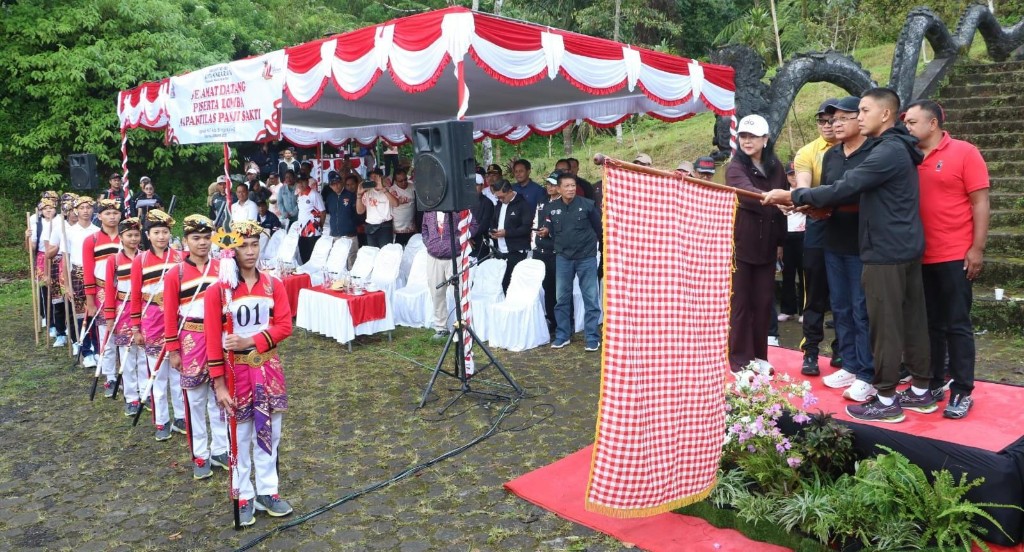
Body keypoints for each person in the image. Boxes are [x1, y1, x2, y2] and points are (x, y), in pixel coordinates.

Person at [763, 87, 932, 423]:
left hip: (885, 250)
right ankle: (921, 392)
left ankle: (885, 398)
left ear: (884, 115)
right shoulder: (895, 149)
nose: (859, 117)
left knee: (883, 325)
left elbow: (846, 186)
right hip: (903, 246)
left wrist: (794, 194)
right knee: (911, 321)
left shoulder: (888, 151)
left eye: (864, 111)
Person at [903, 99, 990, 419]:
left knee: (956, 324)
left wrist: (976, 248)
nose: (907, 127)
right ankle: (935, 381)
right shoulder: (909, 156)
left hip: (954, 254)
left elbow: (980, 202)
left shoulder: (965, 152)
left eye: (912, 122)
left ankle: (963, 389)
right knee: (929, 326)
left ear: (933, 124)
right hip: (918, 255)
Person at [206, 220, 295, 526]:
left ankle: (268, 491)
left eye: (254, 244)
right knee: (241, 435)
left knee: (270, 432)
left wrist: (250, 341)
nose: (250, 251)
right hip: (236, 372)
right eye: (243, 245)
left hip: (268, 367)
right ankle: (243, 494)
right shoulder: (218, 292)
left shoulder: (274, 285)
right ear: (230, 248)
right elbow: (211, 341)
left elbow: (284, 326)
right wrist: (218, 384)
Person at [816, 96, 876, 402]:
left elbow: (854, 192)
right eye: (831, 120)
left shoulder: (874, 152)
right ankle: (850, 363)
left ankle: (869, 372)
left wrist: (818, 198)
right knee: (839, 306)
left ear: (859, 119)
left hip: (862, 243)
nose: (835, 125)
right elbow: (828, 193)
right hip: (833, 240)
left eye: (842, 118)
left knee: (861, 309)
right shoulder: (832, 155)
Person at [164, 215, 227, 480]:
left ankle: (221, 449)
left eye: (206, 237)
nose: (202, 243)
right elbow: (169, 313)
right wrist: (173, 349)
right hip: (191, 338)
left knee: (220, 397)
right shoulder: (175, 273)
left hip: (220, 337)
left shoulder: (224, 267)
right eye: (195, 238)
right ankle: (200, 453)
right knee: (195, 398)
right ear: (186, 240)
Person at [725, 114, 787, 372]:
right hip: (741, 245)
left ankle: (759, 357)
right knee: (740, 304)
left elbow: (784, 203)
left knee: (763, 303)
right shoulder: (735, 166)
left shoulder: (776, 167)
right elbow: (747, 195)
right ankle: (739, 361)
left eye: (753, 136)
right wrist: (776, 198)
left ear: (765, 139)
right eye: (743, 136)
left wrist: (781, 242)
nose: (747, 141)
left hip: (768, 246)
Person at [793, 99, 841, 376]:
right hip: (818, 223)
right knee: (814, 292)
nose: (828, 126)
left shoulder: (856, 148)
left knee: (845, 293)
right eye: (822, 121)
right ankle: (810, 350)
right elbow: (802, 188)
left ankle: (842, 350)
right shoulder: (808, 152)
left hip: (848, 225)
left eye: (833, 120)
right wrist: (810, 201)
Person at [130, 209, 186, 440]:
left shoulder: (180, 258)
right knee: (157, 373)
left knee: (178, 370)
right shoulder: (140, 260)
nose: (161, 236)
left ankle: (181, 417)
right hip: (152, 319)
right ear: (147, 234)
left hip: (177, 319)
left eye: (165, 232)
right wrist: (135, 327)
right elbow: (134, 296)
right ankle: (161, 420)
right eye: (156, 232)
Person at [539, 172, 603, 351]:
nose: (570, 189)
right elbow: (551, 230)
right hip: (563, 258)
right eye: (566, 186)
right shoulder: (551, 208)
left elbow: (599, 229)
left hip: (586, 257)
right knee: (562, 299)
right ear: (558, 189)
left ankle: (591, 337)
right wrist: (545, 232)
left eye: (573, 186)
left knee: (590, 298)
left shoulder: (588, 205)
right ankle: (562, 335)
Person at [104, 217, 146, 417]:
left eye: (136, 235)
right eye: (129, 235)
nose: (133, 239)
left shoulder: (146, 257)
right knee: (127, 355)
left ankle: (147, 393)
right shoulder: (113, 260)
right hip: (123, 310)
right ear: (121, 237)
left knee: (144, 355)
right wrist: (110, 315)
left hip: (144, 310)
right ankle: (131, 397)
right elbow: (109, 289)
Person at [83, 198, 123, 395]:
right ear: (99, 216)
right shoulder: (92, 240)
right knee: (105, 334)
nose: (112, 217)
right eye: (107, 213)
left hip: (125, 292)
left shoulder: (128, 238)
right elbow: (88, 271)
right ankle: (110, 376)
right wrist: (90, 300)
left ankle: (127, 375)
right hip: (100, 292)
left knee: (125, 334)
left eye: (115, 213)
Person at [422, 210, 477, 340]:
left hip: (455, 257)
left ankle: (464, 327)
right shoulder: (429, 210)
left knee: (459, 293)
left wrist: (460, 240)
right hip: (434, 256)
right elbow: (424, 228)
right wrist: (429, 242)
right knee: (437, 293)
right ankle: (441, 328)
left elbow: (473, 225)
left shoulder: (458, 208)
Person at [61, 196, 100, 363]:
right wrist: (67, 285)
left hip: (94, 273)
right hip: (76, 272)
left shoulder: (97, 231)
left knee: (96, 311)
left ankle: (97, 348)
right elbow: (65, 259)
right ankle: (85, 350)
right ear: (76, 210)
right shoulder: (69, 231)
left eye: (88, 207)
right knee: (79, 312)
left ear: (93, 210)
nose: (85, 211)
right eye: (82, 207)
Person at [489, 179, 532, 294]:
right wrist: (492, 231)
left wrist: (507, 233)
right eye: (498, 197)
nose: (500, 199)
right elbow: (493, 221)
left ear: (510, 191)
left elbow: (527, 228)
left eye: (502, 197)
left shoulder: (522, 204)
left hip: (517, 250)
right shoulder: (499, 204)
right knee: (502, 283)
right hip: (500, 250)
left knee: (514, 285)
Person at [533, 173, 561, 331]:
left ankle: (563, 323)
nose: (550, 187)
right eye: (548, 184)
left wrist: (549, 232)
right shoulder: (542, 201)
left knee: (559, 290)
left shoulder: (563, 203)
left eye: (553, 184)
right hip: (540, 250)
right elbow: (535, 222)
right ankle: (551, 320)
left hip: (556, 252)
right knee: (547, 288)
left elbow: (565, 229)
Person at [778, 162, 804, 324]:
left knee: (804, 274)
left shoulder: (807, 191)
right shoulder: (782, 193)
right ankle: (788, 310)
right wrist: (779, 244)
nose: (793, 177)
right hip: (786, 236)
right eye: (790, 174)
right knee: (787, 274)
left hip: (804, 235)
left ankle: (804, 310)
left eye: (796, 173)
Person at [323, 173, 360, 270]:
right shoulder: (330, 198)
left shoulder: (351, 196)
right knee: (338, 261)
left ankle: (352, 282)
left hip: (350, 234)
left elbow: (357, 214)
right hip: (336, 234)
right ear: (330, 186)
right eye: (333, 184)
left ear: (342, 182)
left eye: (338, 183)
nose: (336, 186)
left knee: (352, 260)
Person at [356, 168, 398, 248]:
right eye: (371, 177)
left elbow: (396, 204)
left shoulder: (389, 190)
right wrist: (359, 195)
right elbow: (360, 211)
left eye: (376, 176)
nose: (373, 179)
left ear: (381, 177)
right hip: (370, 227)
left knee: (385, 253)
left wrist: (383, 189)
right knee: (373, 253)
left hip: (385, 226)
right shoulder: (367, 192)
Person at [295, 177, 325, 264]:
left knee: (313, 256)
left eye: (303, 182)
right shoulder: (299, 194)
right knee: (303, 253)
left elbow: (322, 212)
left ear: (307, 182)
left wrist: (320, 226)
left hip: (313, 229)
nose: (301, 184)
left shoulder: (314, 194)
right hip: (302, 230)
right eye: (299, 182)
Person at [389, 168, 417, 246]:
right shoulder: (392, 190)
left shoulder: (412, 186)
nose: (404, 182)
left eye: (405, 179)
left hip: (411, 227)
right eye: (400, 181)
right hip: (398, 229)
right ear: (395, 181)